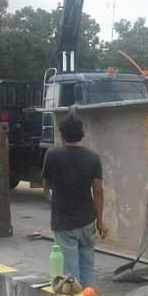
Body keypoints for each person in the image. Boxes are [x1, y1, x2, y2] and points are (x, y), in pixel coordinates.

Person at [42, 111, 107, 287]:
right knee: (87, 265)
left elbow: (46, 185)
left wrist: (53, 201)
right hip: (87, 221)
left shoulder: (52, 155)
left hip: (64, 222)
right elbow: (98, 192)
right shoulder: (93, 158)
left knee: (70, 273)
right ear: (82, 134)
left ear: (62, 134)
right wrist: (100, 222)